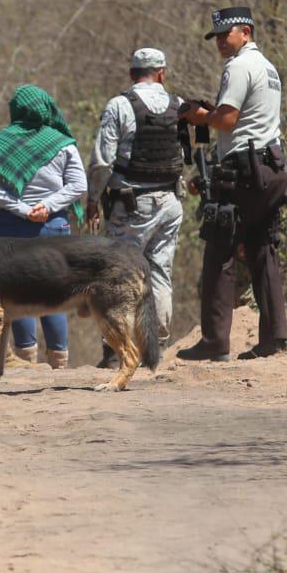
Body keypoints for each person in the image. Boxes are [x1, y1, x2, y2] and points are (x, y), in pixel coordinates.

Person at [177, 6, 287, 362]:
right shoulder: (268, 68)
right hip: (270, 170)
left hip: (245, 170)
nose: (221, 42)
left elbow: (226, 120)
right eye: (217, 37)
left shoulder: (238, 66)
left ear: (246, 32)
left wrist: (200, 116)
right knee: (261, 249)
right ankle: (274, 338)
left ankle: (214, 341)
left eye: (226, 35)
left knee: (219, 249)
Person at [85, 47, 185, 369]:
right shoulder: (178, 105)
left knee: (118, 276)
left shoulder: (119, 105)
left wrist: (92, 199)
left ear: (131, 74)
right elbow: (183, 153)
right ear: (162, 73)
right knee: (160, 272)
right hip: (170, 202)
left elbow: (103, 162)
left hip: (130, 205)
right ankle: (156, 349)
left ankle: (116, 352)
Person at [0, 85, 87, 368]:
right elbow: (78, 185)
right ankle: (59, 362)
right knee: (56, 292)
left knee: (16, 291)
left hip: (9, 227)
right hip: (53, 225)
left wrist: (22, 209)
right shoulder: (62, 142)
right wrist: (47, 206)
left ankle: (26, 360)